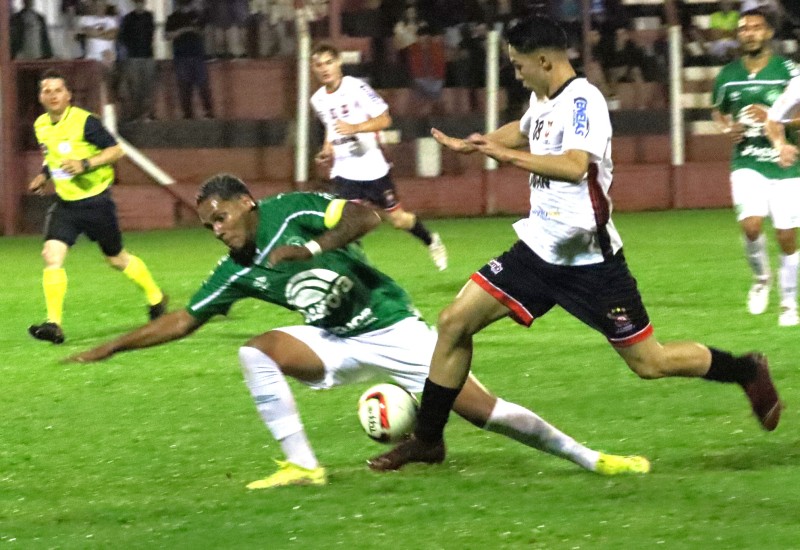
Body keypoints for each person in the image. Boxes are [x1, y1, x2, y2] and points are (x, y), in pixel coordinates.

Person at [368, 14, 783, 473]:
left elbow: (574, 166)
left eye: (519, 65)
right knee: (453, 323)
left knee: (651, 362)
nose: (516, 73)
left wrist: (504, 156)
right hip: (537, 251)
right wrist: (480, 143)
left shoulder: (585, 102)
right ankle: (428, 440)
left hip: (590, 263)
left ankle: (745, 369)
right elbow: (524, 128)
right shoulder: (542, 97)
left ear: (544, 60)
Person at [70, 174, 651, 489]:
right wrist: (112, 346)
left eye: (220, 218)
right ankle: (303, 466)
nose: (217, 231)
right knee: (256, 352)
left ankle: (591, 458)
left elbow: (366, 214)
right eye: (208, 226)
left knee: (485, 412)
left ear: (246, 204)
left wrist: (313, 248)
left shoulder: (291, 212)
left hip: (393, 327)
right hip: (334, 341)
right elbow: (183, 319)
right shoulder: (236, 270)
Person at [27, 70, 168, 345]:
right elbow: (52, 155)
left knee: (116, 259)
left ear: (68, 95)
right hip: (66, 204)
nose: (53, 95)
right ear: (41, 97)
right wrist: (44, 175)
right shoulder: (41, 125)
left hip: (95, 202)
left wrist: (85, 164)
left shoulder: (85, 122)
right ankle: (54, 324)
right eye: (47, 91)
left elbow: (116, 150)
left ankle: (156, 297)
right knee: (51, 255)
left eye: (58, 90)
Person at [309, 43, 448, 271]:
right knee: (347, 223)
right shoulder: (318, 99)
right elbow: (331, 128)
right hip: (344, 171)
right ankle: (358, 271)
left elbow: (385, 119)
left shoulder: (355, 88)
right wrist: (327, 149)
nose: (324, 69)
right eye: (319, 65)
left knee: (399, 220)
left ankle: (431, 240)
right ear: (313, 68)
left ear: (339, 63)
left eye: (329, 62)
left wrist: (355, 128)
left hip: (373, 169)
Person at [711, 9, 800, 326]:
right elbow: (718, 112)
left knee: (786, 236)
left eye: (756, 27)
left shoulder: (788, 71)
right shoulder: (728, 74)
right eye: (744, 28)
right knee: (750, 226)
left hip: (786, 162)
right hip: (747, 160)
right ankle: (762, 279)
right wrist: (727, 128)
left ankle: (788, 303)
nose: (749, 33)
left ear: (769, 33)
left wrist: (774, 118)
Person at [165, 0, 215, 120]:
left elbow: (203, 31)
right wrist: (185, 30)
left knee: (203, 85)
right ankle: (187, 114)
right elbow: (167, 36)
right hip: (181, 56)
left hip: (197, 55)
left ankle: (208, 112)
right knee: (184, 87)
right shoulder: (173, 17)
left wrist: (189, 30)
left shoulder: (196, 15)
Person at [118, 0, 157, 122]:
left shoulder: (149, 16)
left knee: (147, 86)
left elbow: (151, 34)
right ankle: (136, 113)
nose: (140, 5)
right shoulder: (128, 18)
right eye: (138, 3)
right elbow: (123, 36)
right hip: (134, 56)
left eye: (141, 3)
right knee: (135, 87)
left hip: (147, 55)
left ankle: (147, 113)